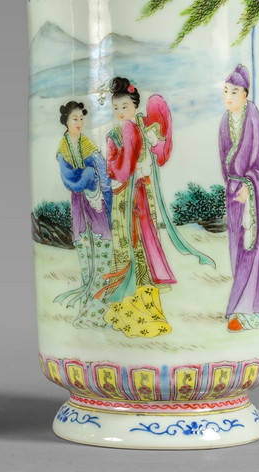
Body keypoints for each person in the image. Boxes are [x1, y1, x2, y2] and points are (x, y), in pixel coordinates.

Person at [103, 77, 175, 337]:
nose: (121, 112)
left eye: (124, 106)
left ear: (135, 105)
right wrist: (123, 165)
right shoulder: (114, 135)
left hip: (143, 197)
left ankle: (148, 309)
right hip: (124, 198)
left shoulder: (144, 128)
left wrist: (155, 142)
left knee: (145, 246)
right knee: (127, 246)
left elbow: (160, 153)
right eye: (116, 108)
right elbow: (115, 167)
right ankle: (125, 311)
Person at [219, 65, 259, 331]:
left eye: (234, 92)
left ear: (245, 94)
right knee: (237, 250)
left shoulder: (252, 114)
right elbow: (224, 160)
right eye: (225, 91)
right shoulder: (225, 121)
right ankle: (241, 305)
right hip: (234, 194)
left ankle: (246, 310)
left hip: (252, 194)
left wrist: (250, 185)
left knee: (251, 249)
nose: (228, 97)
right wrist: (234, 186)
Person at [54, 101, 113, 328]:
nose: (79, 123)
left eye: (81, 118)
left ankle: (100, 312)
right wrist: (87, 175)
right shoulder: (63, 150)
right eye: (74, 119)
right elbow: (69, 179)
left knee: (103, 254)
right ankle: (88, 312)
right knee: (86, 256)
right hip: (80, 203)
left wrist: (98, 188)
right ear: (66, 121)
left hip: (96, 201)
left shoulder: (87, 144)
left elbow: (103, 172)